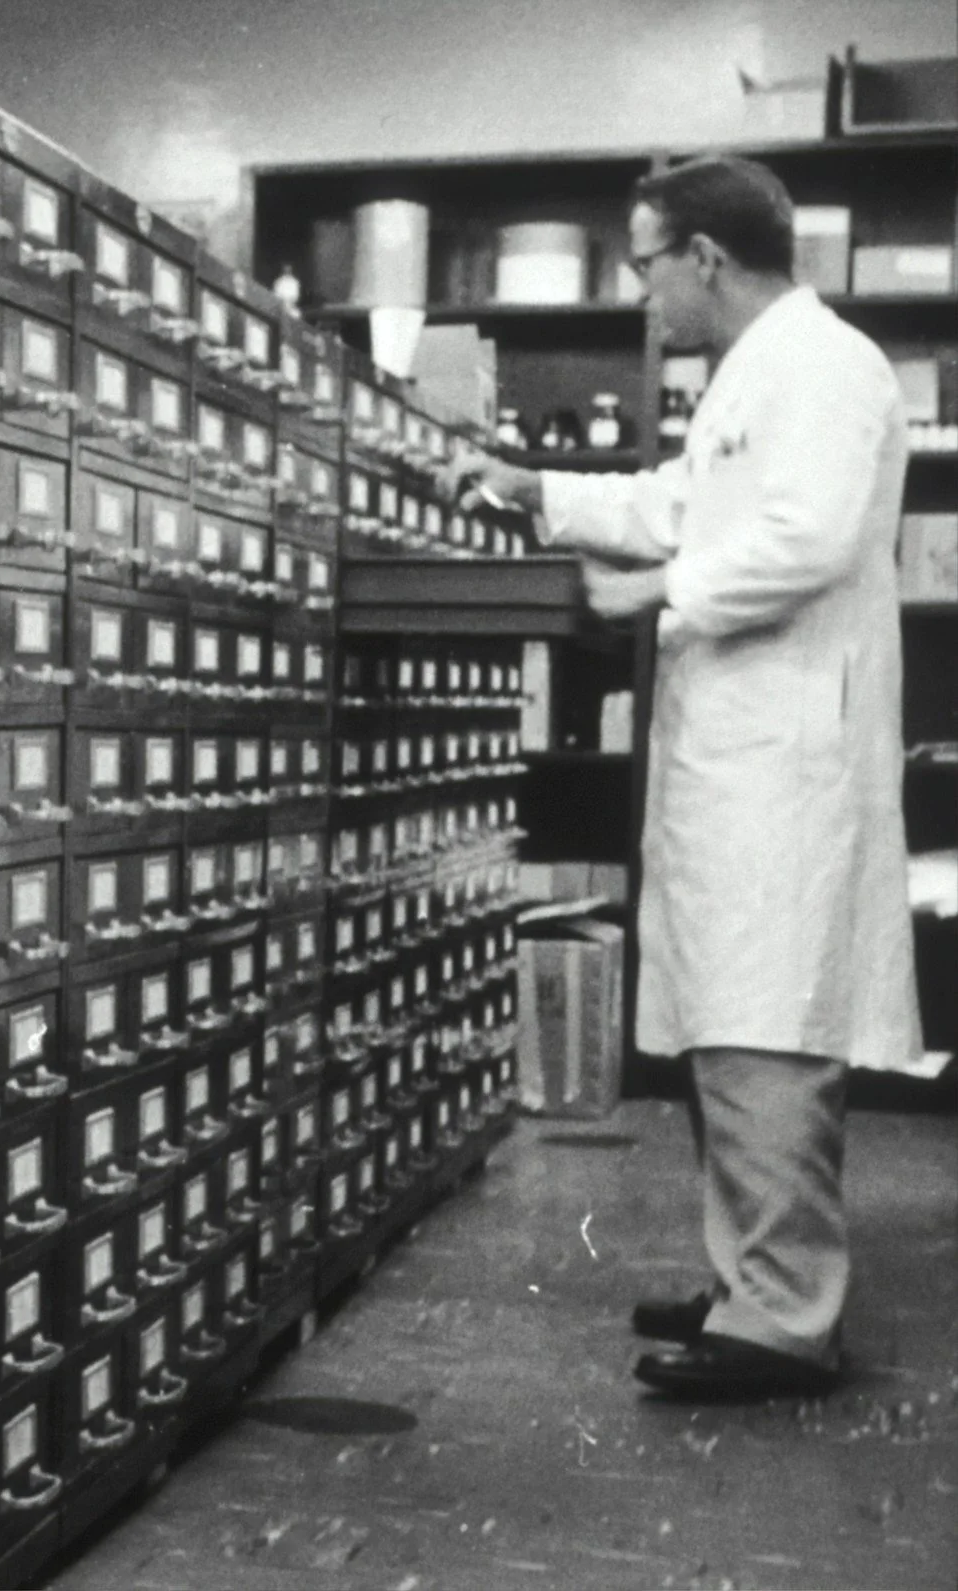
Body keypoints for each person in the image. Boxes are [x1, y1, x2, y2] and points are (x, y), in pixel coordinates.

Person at [443, 155, 923, 1400]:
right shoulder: (751, 376)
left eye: (648, 261)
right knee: (730, 1027)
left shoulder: (824, 364)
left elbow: (801, 535)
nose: (643, 290)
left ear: (704, 256)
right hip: (736, 757)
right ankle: (753, 1279)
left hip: (785, 763)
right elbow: (680, 500)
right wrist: (533, 488)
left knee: (766, 1029)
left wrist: (664, 589)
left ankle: (782, 1316)